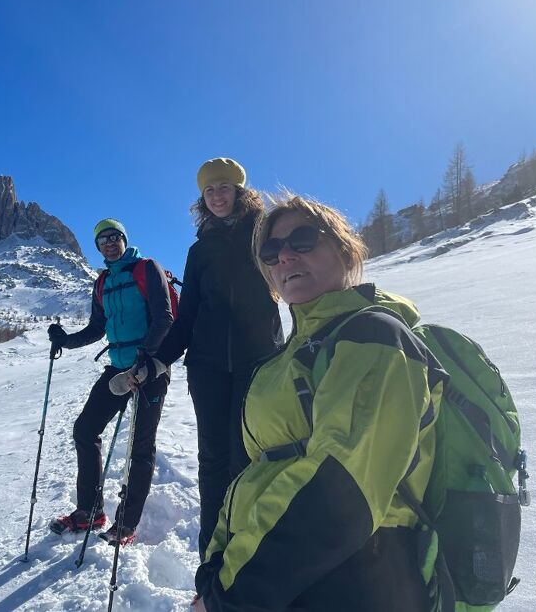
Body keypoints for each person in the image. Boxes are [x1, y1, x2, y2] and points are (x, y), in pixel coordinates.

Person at [193, 193, 445, 611]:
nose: (285, 257)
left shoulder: (374, 336)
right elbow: (259, 474)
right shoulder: (293, 354)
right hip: (286, 580)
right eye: (271, 251)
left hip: (356, 578)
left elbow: (342, 482)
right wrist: (217, 566)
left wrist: (231, 595)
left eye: (303, 240)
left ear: (346, 251)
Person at [154, 157, 282, 560]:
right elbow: (187, 315)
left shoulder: (262, 237)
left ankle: (245, 550)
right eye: (209, 190)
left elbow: (292, 287)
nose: (217, 195)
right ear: (202, 199)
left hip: (257, 363)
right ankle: (211, 553)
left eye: (224, 187)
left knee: (245, 458)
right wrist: (157, 361)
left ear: (240, 192)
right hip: (206, 368)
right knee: (211, 461)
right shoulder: (199, 251)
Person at [46, 218, 173, 546]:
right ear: (98, 247)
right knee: (85, 430)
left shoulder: (146, 269)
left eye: (114, 237)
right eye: (103, 240)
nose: (109, 243)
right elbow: (96, 328)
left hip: (150, 370)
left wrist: (146, 356)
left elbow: (164, 317)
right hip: (117, 369)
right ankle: (90, 512)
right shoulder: (101, 282)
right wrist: (65, 341)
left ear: (124, 239)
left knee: (140, 446)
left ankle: (126, 524)